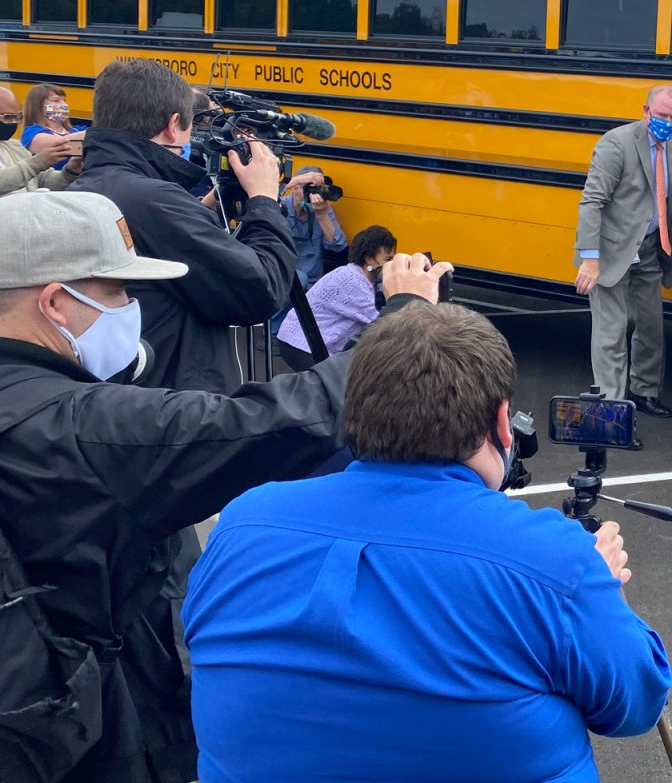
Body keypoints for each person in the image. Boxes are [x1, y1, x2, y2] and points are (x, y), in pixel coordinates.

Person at [0, 188, 448, 783]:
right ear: (56, 302)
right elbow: (275, 419)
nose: (131, 308)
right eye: (119, 292)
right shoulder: (73, 426)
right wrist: (405, 317)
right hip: (72, 727)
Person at [183, 301, 672, 783]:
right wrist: (601, 586)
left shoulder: (242, 523)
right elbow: (637, 704)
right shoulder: (554, 560)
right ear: (502, 423)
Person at [70, 58, 296, 394]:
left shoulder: (84, 187)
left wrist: (194, 213)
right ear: (173, 125)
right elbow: (260, 290)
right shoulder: (153, 201)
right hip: (178, 409)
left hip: (125, 396)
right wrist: (264, 200)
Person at [574, 84, 672, 417]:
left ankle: (643, 392)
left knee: (652, 329)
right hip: (611, 252)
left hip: (651, 250)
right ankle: (611, 413)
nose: (668, 121)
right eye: (662, 114)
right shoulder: (616, 144)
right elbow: (592, 202)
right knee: (612, 333)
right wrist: (590, 259)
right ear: (646, 111)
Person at [275, 224, 396, 371]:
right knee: (336, 388)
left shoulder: (362, 278)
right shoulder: (352, 280)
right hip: (301, 342)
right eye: (388, 259)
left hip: (306, 340)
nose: (391, 265)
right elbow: (379, 321)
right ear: (369, 259)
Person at [0, 83, 80, 194]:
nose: (14, 123)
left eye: (18, 118)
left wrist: (70, 171)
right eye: (8, 117)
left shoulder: (15, 146)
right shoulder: (33, 133)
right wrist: (38, 162)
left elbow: (43, 180)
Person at [281, 164, 348, 288]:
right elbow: (258, 195)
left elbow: (338, 246)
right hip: (282, 282)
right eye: (309, 189)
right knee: (300, 278)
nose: (313, 195)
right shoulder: (279, 206)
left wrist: (322, 215)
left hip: (313, 285)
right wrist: (294, 180)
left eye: (318, 189)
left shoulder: (322, 208)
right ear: (295, 188)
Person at [21, 83, 85, 171]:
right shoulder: (31, 133)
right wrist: (91, 135)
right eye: (56, 100)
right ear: (38, 106)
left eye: (64, 100)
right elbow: (59, 144)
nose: (64, 104)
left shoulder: (77, 130)